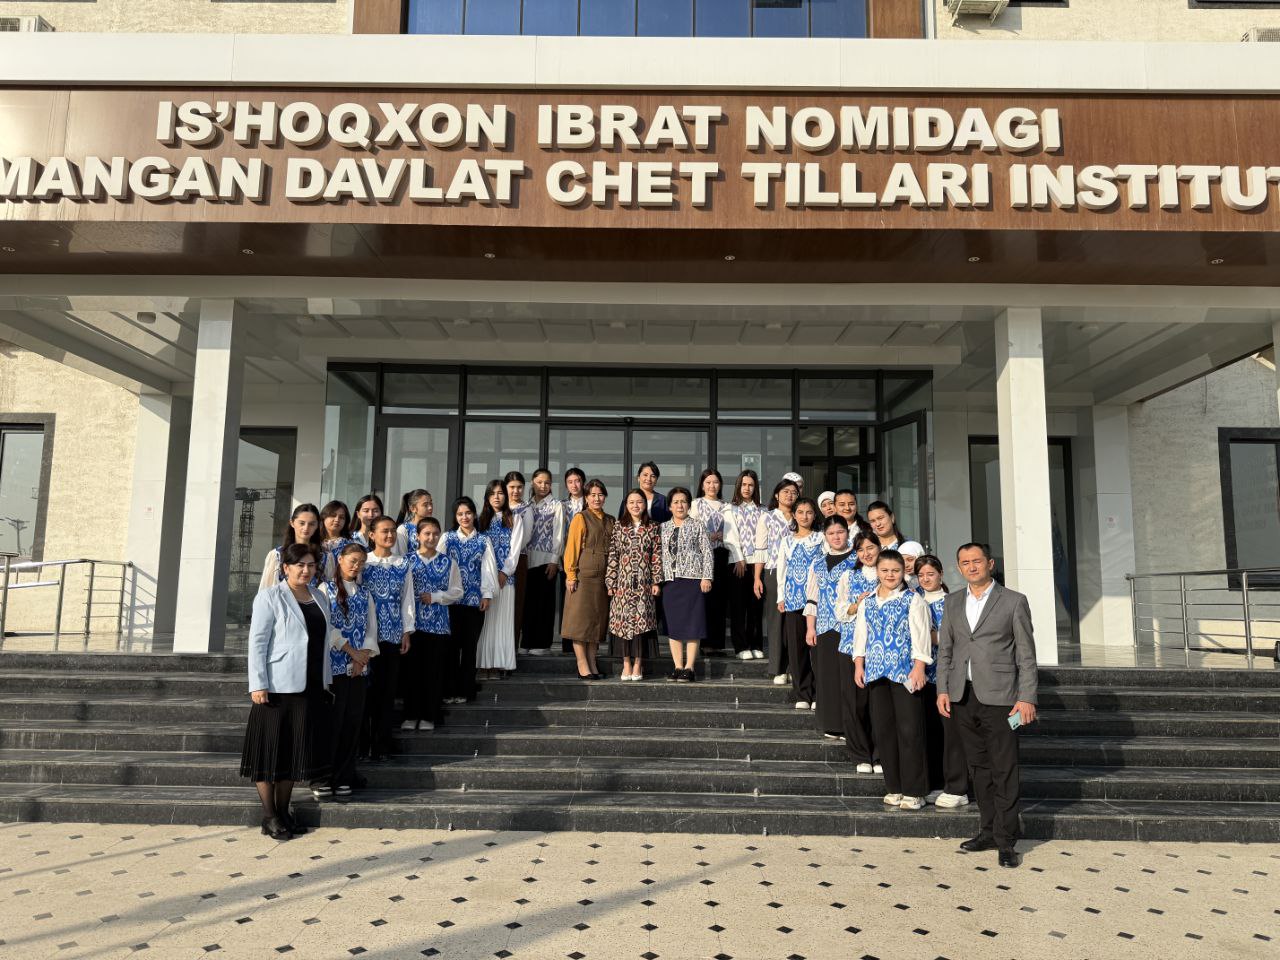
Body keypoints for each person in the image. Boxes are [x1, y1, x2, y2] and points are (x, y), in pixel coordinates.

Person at [936, 542, 1039, 869]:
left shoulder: (1013, 601)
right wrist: (942, 689)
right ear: (959, 567)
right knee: (978, 768)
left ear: (990, 563)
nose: (971, 566)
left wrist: (1027, 697)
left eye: (977, 561)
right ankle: (988, 831)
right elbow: (946, 650)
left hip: (1002, 698)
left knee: (1003, 768)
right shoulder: (952, 601)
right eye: (965, 562)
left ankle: (1006, 840)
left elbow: (1026, 655)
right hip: (963, 697)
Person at [241, 543, 332, 840]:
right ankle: (269, 816)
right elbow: (258, 642)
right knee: (270, 753)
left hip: (309, 686)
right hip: (277, 688)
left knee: (293, 754)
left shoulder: (319, 597)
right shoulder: (269, 597)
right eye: (300, 565)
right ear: (286, 568)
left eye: (311, 565)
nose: (306, 570)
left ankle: (283, 813)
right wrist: (258, 683)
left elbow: (322, 640)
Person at [850, 549, 933, 812]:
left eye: (895, 570)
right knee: (884, 732)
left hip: (905, 673)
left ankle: (914, 791)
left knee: (910, 731)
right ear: (877, 572)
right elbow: (860, 635)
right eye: (885, 570)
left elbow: (921, 635)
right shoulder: (868, 601)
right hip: (876, 673)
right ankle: (894, 787)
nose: (890, 575)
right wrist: (859, 664)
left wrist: (919, 667)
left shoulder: (913, 600)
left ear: (903, 572)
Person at [317, 543, 378, 800]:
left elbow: (371, 628)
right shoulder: (325, 589)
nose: (356, 566)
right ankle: (322, 777)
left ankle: (344, 776)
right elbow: (326, 626)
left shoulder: (365, 593)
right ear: (340, 559)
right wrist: (351, 651)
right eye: (353, 560)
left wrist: (362, 658)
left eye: (361, 562)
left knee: (352, 723)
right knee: (332, 724)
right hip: (334, 668)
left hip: (357, 670)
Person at [915, 554, 969, 809]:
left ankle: (957, 787)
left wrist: (927, 636)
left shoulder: (952, 602)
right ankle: (936, 784)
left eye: (930, 574)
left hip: (945, 676)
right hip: (920, 677)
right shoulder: (914, 599)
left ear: (940, 575)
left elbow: (954, 638)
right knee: (930, 733)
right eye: (921, 575)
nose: (926, 579)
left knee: (951, 734)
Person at [803, 516, 861, 749]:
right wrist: (810, 627)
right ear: (825, 536)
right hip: (824, 626)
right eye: (831, 533)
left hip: (850, 626)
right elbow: (812, 598)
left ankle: (850, 725)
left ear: (848, 532)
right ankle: (831, 723)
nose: (836, 537)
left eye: (840, 532)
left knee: (847, 676)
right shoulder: (817, 563)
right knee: (827, 675)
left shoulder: (857, 559)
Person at [362, 516, 414, 762]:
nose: (390, 535)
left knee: (387, 691)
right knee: (366, 692)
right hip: (365, 638)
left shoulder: (403, 563)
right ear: (372, 535)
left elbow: (407, 599)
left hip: (392, 635)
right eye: (384, 531)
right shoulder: (363, 562)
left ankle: (382, 745)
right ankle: (363, 745)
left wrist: (406, 631)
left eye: (393, 531)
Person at [405, 517, 462, 732]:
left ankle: (430, 715)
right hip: (413, 625)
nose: (431, 537)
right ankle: (411, 715)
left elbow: (457, 592)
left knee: (434, 672)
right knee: (412, 672)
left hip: (438, 626)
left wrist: (437, 597)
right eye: (427, 533)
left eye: (435, 533)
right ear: (417, 536)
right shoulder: (407, 561)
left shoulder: (448, 562)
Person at [441, 497, 498, 704]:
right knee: (451, 647)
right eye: (460, 514)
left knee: (469, 647)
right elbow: (440, 566)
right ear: (455, 517)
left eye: (468, 513)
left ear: (474, 514)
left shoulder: (483, 540)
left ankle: (465, 691)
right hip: (451, 602)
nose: (464, 517)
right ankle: (449, 691)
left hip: (474, 602)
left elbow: (488, 569)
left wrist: (487, 594)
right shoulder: (447, 538)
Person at [835, 532, 883, 772]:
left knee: (879, 704)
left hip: (881, 648)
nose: (866, 553)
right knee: (855, 703)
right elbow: (839, 610)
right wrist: (857, 605)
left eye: (870, 547)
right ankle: (861, 754)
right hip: (851, 646)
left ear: (879, 547)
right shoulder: (848, 575)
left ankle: (880, 755)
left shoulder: (888, 574)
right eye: (861, 549)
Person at [606, 489, 662, 681]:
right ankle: (626, 664)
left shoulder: (653, 527)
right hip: (623, 582)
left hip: (644, 583)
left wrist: (656, 581)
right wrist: (611, 581)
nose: (635, 505)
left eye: (639, 502)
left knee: (641, 623)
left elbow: (657, 556)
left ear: (645, 505)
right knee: (623, 623)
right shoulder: (619, 526)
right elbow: (613, 555)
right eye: (631, 502)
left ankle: (638, 664)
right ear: (626, 505)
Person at [660, 486, 713, 682]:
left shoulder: (698, 525)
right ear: (670, 506)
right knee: (673, 626)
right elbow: (658, 555)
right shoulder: (663, 528)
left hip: (693, 581)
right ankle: (677, 666)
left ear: (689, 505)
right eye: (676, 502)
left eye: (683, 501)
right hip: (670, 582)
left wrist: (707, 577)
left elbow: (707, 552)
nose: (680, 505)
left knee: (693, 625)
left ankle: (689, 668)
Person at [563, 479, 614, 679]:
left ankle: (593, 662)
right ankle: (582, 663)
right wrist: (571, 574)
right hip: (583, 576)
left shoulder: (611, 520)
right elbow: (572, 547)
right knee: (580, 621)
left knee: (596, 621)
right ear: (586, 497)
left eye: (600, 494)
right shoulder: (581, 518)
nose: (596, 498)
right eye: (592, 495)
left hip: (603, 577)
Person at [776, 496, 822, 709]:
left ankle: (819, 694)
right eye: (801, 512)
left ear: (814, 515)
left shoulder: (821, 538)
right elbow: (782, 570)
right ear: (794, 515)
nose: (805, 516)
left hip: (818, 600)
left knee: (817, 648)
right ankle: (803, 694)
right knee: (796, 649)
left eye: (809, 512)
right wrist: (781, 596)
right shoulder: (787, 540)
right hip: (793, 599)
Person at [755, 478, 799, 679]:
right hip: (773, 571)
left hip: (797, 574)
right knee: (776, 621)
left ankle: (792, 668)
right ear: (776, 495)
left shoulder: (800, 516)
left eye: (794, 492)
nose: (790, 495)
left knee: (794, 621)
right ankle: (778, 669)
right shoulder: (767, 517)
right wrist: (757, 578)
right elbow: (761, 549)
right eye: (786, 491)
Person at [476, 480, 519, 679]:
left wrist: (505, 572)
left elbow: (515, 550)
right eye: (492, 493)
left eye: (500, 493)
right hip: (484, 581)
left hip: (505, 579)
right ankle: (483, 664)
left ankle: (500, 663)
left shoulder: (514, 518)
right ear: (487, 497)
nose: (496, 497)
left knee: (502, 622)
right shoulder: (480, 520)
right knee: (486, 623)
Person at [522, 468, 565, 656]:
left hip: (546, 561)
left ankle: (542, 644)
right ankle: (526, 642)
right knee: (528, 604)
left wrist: (555, 560)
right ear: (533, 482)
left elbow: (559, 534)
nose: (543, 486)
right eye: (539, 482)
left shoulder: (556, 505)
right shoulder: (526, 505)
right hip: (527, 560)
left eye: (547, 482)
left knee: (544, 604)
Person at [689, 468, 730, 655]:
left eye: (715, 482)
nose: (712, 486)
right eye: (708, 482)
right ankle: (704, 644)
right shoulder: (696, 504)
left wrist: (724, 536)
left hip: (722, 555)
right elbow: (691, 530)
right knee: (705, 600)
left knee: (720, 600)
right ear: (702, 485)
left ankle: (718, 644)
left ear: (720, 485)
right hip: (703, 555)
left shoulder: (726, 506)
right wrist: (708, 536)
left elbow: (734, 532)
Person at [725, 469, 764, 659]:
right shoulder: (730, 508)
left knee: (756, 606)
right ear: (738, 486)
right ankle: (740, 646)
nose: (747, 488)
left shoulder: (763, 510)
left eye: (750, 485)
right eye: (744, 485)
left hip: (758, 564)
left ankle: (756, 643)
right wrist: (739, 558)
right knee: (738, 607)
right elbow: (730, 537)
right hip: (737, 562)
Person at [259, 503, 324, 591]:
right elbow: (267, 590)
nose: (306, 528)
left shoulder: (325, 556)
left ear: (317, 525)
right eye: (302, 523)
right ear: (292, 523)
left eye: (312, 524)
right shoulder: (277, 555)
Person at [558, 467, 587, 654]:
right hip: (567, 560)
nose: (574, 485)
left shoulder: (590, 503)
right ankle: (567, 644)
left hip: (585, 560)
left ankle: (583, 642)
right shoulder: (561, 506)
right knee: (567, 602)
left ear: (583, 482)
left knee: (583, 603)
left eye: (577, 481)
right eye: (570, 482)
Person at [504, 471, 531, 647]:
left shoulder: (526, 509)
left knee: (515, 604)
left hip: (518, 560)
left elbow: (525, 538)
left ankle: (512, 648)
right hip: (496, 561)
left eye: (519, 487)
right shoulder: (498, 507)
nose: (516, 491)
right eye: (512, 487)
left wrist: (507, 553)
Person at [319, 500, 353, 582]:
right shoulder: (313, 542)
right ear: (324, 517)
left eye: (341, 517)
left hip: (341, 588)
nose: (337, 519)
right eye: (333, 515)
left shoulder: (350, 546)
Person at [394, 489, 433, 557]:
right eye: (425, 505)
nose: (430, 507)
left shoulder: (433, 528)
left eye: (431, 503)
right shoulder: (403, 529)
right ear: (413, 508)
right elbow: (402, 557)